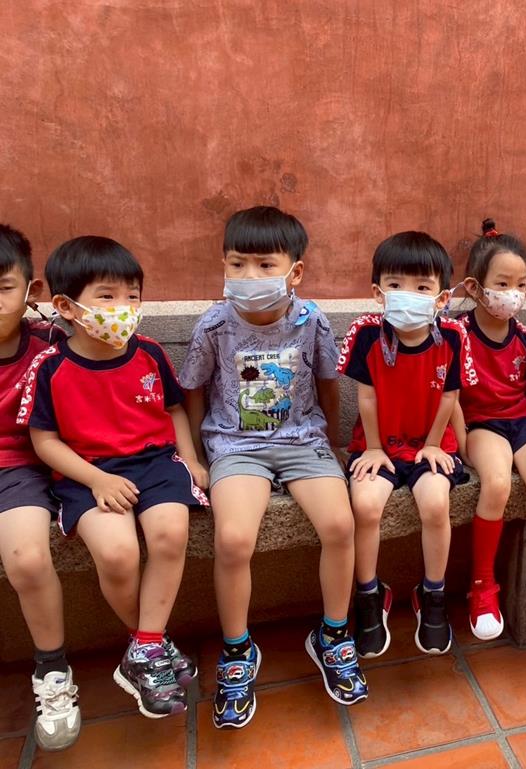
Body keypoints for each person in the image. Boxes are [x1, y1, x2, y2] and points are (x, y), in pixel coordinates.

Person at [180, 206, 365, 729]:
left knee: (340, 524)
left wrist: (332, 442)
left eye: (265, 265)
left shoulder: (311, 321)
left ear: (294, 271)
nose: (249, 276)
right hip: (235, 446)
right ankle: (237, 649)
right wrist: (196, 455)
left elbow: (328, 383)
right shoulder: (215, 325)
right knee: (233, 539)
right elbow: (193, 390)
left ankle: (333, 634)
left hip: (303, 440)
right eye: (237, 263)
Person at [21, 236, 205, 718]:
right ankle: (152, 644)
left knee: (170, 534)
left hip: (156, 462)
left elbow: (174, 408)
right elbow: (44, 441)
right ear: (67, 306)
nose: (123, 307)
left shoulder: (150, 352)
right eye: (107, 296)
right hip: (86, 473)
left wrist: (189, 458)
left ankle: (145, 647)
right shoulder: (50, 367)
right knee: (118, 554)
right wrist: (96, 480)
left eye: (132, 295)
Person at [339, 231, 476, 657]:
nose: (408, 295)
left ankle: (432, 594)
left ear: (441, 297)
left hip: (431, 444)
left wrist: (434, 444)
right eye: (395, 284)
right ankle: (368, 594)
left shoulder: (453, 335)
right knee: (365, 506)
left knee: (435, 503)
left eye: (422, 287)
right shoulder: (366, 333)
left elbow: (450, 396)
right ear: (378, 292)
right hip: (377, 445)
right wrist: (373, 447)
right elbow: (365, 397)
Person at [451, 219, 526, 640]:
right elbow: (450, 396)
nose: (512, 293)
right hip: (483, 426)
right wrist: (462, 442)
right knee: (498, 484)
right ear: (475, 287)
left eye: (520, 285)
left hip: (525, 424)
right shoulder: (456, 335)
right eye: (502, 283)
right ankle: (482, 585)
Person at [0, 224, 79, 749]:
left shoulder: (50, 346)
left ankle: (53, 671)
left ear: (30, 290)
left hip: (20, 470)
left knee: (27, 558)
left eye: (3, 287)